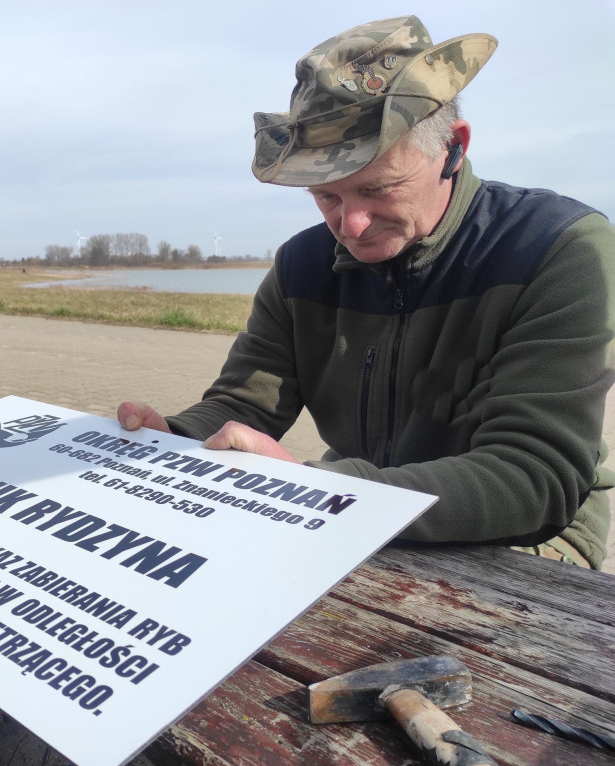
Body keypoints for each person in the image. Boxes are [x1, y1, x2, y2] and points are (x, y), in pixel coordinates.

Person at [118, 15, 615, 569]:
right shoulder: (301, 266)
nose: (351, 226)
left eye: (378, 189)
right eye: (326, 197)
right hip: (351, 502)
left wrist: (320, 490)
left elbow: (534, 477)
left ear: (452, 148)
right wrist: (172, 441)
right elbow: (243, 404)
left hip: (526, 536)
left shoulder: (555, 249)